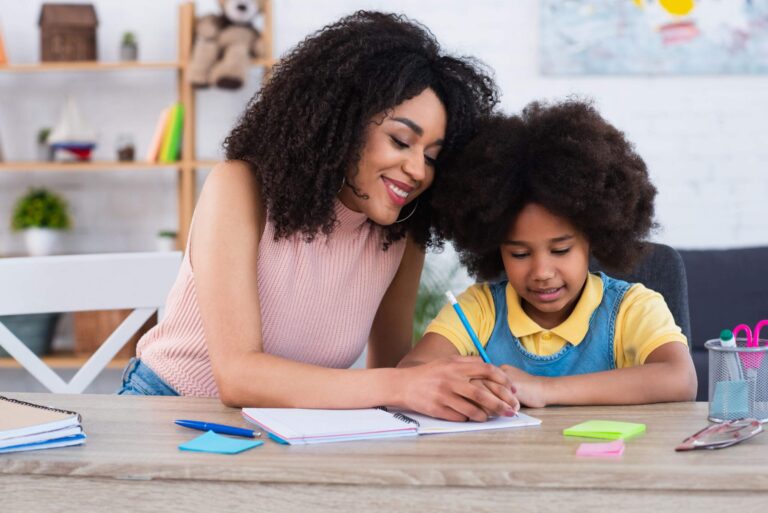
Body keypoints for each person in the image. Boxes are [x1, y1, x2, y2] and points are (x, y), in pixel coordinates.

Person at [118, 11, 519, 421]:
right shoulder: (240, 188)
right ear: (343, 123)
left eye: (432, 156)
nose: (418, 169)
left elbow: (390, 374)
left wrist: (450, 387)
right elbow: (237, 376)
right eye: (401, 141)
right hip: (166, 411)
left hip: (294, 425)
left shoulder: (401, 232)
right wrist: (404, 384)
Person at [399, 100, 698, 407]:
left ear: (593, 238)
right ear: (494, 247)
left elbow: (681, 378)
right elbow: (408, 374)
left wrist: (543, 389)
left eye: (560, 250)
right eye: (519, 254)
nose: (541, 271)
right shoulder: (479, 310)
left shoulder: (632, 308)